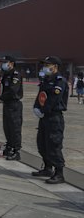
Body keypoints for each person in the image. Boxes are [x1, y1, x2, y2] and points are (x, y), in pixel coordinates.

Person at [32, 56, 69, 184]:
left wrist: (43, 111)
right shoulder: (46, 80)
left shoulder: (60, 81)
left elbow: (54, 100)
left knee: (54, 145)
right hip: (44, 117)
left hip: (54, 117)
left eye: (48, 65)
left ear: (55, 66)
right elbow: (40, 96)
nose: (45, 67)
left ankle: (59, 173)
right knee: (42, 143)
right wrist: (36, 107)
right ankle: (47, 168)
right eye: (45, 65)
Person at [0, 56, 23, 160]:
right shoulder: (6, 74)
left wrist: (1, 98)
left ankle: (16, 151)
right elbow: (1, 87)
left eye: (5, 62)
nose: (3, 64)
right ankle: (9, 147)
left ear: (11, 63)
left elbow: (12, 90)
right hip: (6, 104)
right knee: (7, 127)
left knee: (15, 128)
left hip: (14, 104)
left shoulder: (16, 75)